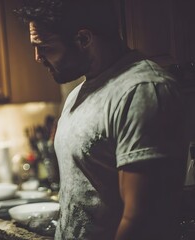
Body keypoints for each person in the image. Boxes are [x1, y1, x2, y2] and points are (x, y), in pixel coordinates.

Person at [15, 0, 189, 239]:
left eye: (44, 46)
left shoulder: (142, 90)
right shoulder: (79, 93)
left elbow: (142, 221)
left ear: (84, 39)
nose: (37, 57)